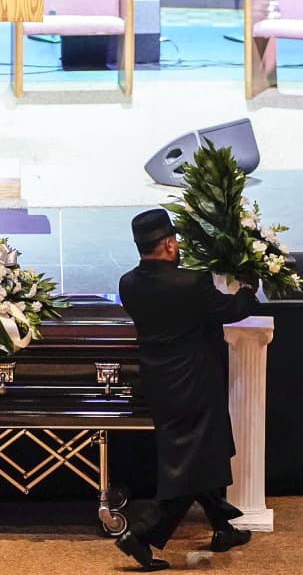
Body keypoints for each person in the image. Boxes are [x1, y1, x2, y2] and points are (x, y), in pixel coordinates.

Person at [113, 208, 256, 571]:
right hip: (195, 382)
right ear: (168, 244)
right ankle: (139, 535)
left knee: (199, 454)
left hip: (159, 384)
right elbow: (231, 310)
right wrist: (249, 286)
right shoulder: (191, 283)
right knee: (191, 465)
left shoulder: (127, 284)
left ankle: (223, 527)